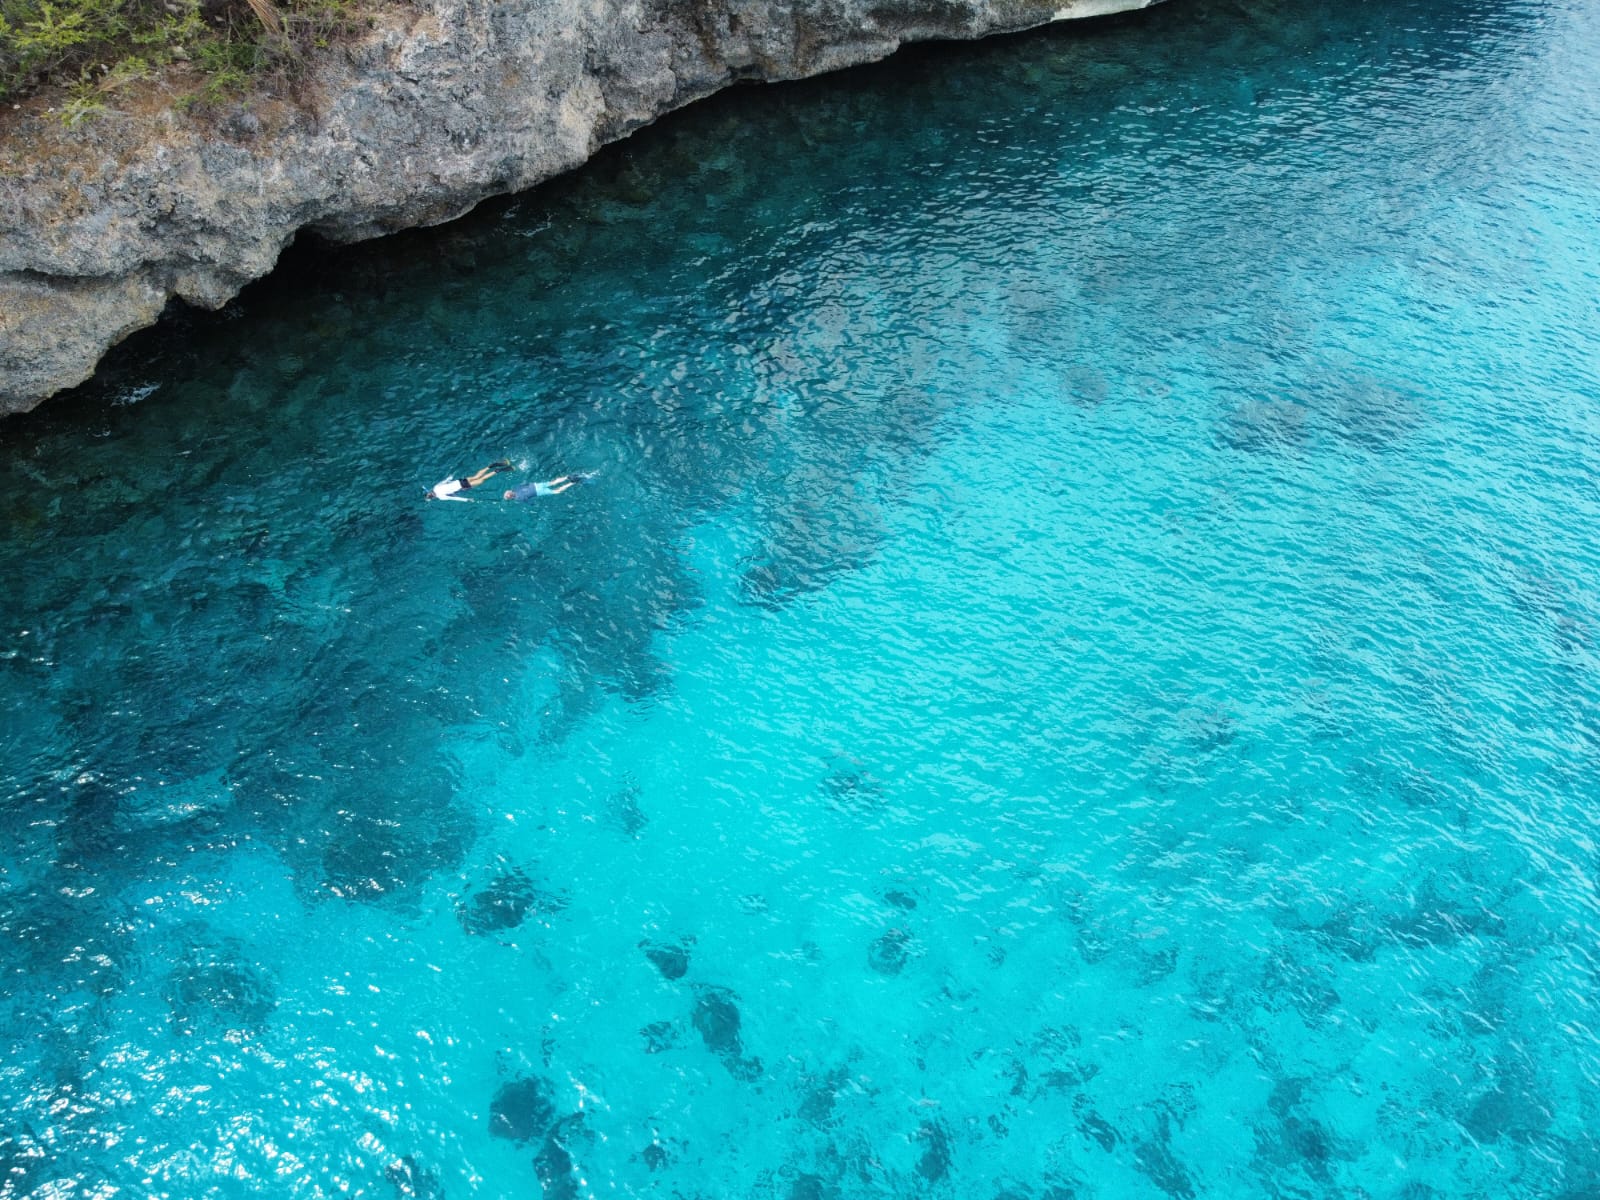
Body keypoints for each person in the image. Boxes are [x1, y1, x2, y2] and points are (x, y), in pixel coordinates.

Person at [427, 459, 512, 501]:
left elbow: (455, 498)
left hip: (463, 486)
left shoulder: (441, 497)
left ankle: (499, 470)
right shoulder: (435, 487)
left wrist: (467, 499)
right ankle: (492, 465)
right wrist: (450, 477)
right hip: (460, 481)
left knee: (482, 479)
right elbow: (445, 481)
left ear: (434, 497)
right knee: (476, 476)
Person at [504, 472, 594, 501]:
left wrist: (531, 504)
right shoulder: (516, 488)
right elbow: (525, 484)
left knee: (556, 491)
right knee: (552, 482)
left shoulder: (518, 499)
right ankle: (567, 477)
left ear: (511, 497)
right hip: (535, 485)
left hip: (538, 492)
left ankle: (573, 483)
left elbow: (527, 500)